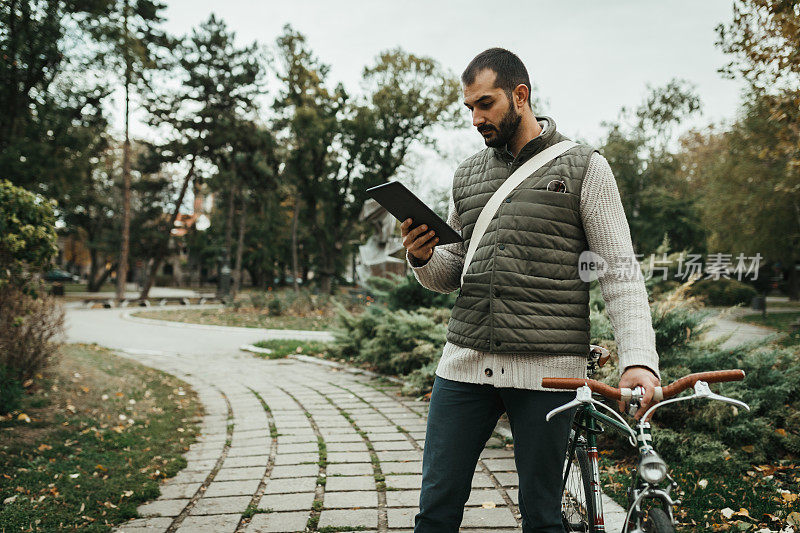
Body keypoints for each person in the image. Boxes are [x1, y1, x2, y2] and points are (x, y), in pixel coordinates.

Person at [400, 48, 661, 532]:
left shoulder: (586, 168)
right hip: (464, 365)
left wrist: (639, 360)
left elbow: (620, 274)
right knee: (435, 509)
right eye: (470, 108)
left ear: (520, 95)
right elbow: (451, 272)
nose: (476, 118)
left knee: (543, 517)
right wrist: (421, 257)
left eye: (486, 104)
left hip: (547, 373)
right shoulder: (468, 174)